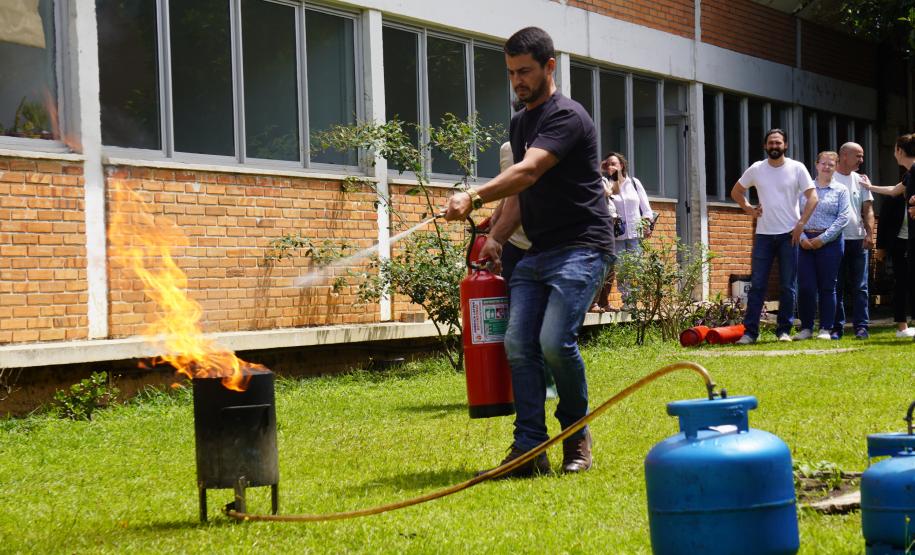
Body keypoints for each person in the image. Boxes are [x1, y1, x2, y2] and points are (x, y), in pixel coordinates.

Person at [442, 26, 614, 477]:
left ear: (549, 67)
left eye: (525, 71)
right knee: (518, 344)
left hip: (582, 245)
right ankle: (528, 449)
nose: (517, 80)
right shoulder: (520, 122)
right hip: (538, 249)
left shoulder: (568, 116)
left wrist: (474, 198)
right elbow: (520, 194)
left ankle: (575, 439)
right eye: (511, 72)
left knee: (554, 342)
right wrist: (496, 236)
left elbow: (529, 170)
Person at [730, 129, 818, 344]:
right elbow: (736, 192)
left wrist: (801, 224)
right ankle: (750, 333)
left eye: (778, 142)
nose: (774, 146)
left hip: (790, 235)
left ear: (785, 145)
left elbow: (813, 197)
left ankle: (783, 331)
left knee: (788, 286)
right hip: (764, 235)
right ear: (765, 146)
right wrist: (749, 208)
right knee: (758, 284)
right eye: (771, 143)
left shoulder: (797, 168)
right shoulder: (757, 169)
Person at [861, 133, 915, 338]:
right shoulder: (909, 174)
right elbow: (894, 191)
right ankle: (903, 326)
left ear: (900, 151)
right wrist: (869, 187)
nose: (894, 154)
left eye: (894, 150)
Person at [793, 151, 850, 340]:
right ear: (816, 165)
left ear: (836, 167)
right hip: (804, 242)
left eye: (831, 164)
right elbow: (794, 215)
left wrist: (823, 239)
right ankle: (806, 328)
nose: (826, 167)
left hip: (830, 243)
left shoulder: (841, 190)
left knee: (828, 287)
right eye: (823, 163)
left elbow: (843, 218)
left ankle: (826, 328)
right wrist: (801, 238)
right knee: (806, 286)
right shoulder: (804, 189)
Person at [591, 152, 654, 312]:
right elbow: (608, 194)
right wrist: (603, 170)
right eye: (609, 164)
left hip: (635, 233)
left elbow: (646, 208)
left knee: (636, 268)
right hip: (617, 234)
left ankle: (632, 302)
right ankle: (627, 300)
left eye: (615, 164)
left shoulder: (634, 182)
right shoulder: (607, 183)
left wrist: (647, 224)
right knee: (622, 268)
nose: (611, 166)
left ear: (622, 165)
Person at [831, 142, 875, 340]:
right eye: (858, 156)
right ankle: (836, 328)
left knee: (861, 287)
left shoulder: (862, 181)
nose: (861, 160)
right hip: (834, 240)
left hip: (858, 240)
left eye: (862, 155)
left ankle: (861, 327)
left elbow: (868, 209)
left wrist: (870, 233)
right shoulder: (829, 177)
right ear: (844, 155)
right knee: (835, 287)